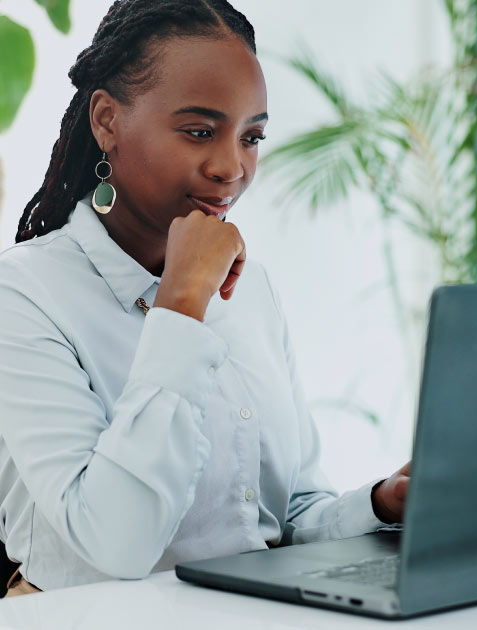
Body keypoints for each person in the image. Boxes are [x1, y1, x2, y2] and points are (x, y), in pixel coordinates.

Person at [0, 0, 410, 597]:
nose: (231, 167)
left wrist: (378, 505)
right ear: (107, 120)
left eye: (252, 137)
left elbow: (286, 516)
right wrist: (182, 304)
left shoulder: (251, 289)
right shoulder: (25, 294)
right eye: (199, 132)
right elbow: (115, 546)